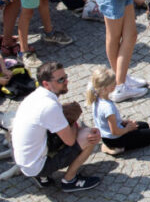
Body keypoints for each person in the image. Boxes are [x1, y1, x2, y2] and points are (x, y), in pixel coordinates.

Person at [12, 61, 102, 192]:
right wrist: (73, 121)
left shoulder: (34, 97)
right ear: (46, 84)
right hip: (36, 166)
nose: (66, 81)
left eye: (65, 77)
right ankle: (70, 181)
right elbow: (70, 140)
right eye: (61, 80)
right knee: (90, 136)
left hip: (25, 161)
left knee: (74, 131)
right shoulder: (50, 106)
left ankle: (42, 177)